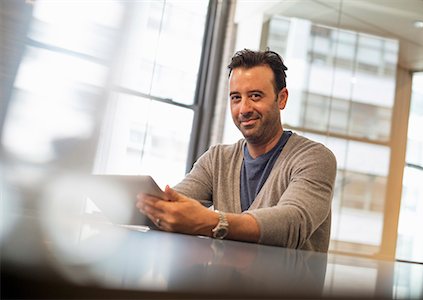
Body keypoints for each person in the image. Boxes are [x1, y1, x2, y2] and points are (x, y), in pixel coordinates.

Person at [136, 49, 337, 252]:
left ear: (282, 98)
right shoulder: (217, 160)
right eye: (235, 98)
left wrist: (213, 221)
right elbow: (173, 207)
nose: (244, 109)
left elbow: (292, 224)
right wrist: (159, 208)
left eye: (255, 96)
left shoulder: (314, 158)